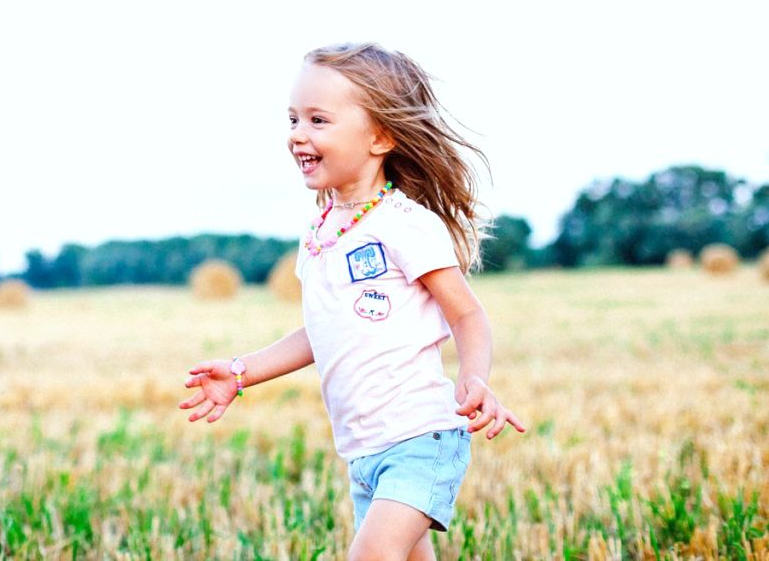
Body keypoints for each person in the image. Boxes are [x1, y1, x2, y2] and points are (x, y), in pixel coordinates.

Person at [178, 42, 526, 561]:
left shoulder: (406, 225)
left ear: (380, 136)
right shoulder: (320, 231)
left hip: (420, 438)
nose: (298, 134)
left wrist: (474, 378)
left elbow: (466, 312)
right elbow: (320, 330)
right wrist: (241, 371)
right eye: (293, 118)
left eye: (319, 120)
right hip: (363, 451)